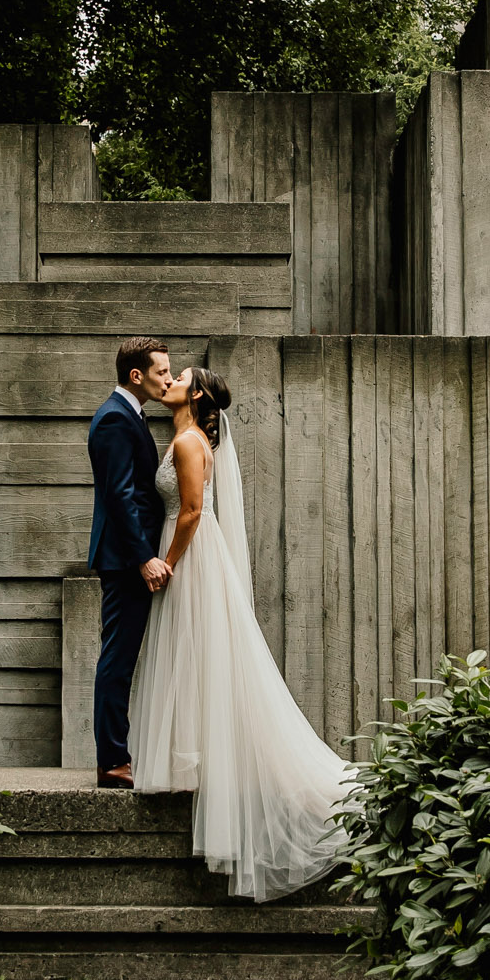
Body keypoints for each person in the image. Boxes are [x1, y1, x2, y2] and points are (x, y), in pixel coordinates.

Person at [129, 364, 357, 902]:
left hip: (189, 556)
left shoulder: (188, 442)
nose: (171, 380)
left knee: (198, 653)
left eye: (180, 376)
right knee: (198, 656)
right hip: (196, 557)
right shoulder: (185, 436)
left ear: (199, 393)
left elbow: (189, 512)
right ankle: (199, 756)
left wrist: (167, 564)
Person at [85, 335, 174, 790]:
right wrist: (144, 558)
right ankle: (113, 762)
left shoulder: (130, 415)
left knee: (121, 658)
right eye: (162, 371)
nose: (169, 379)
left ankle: (117, 756)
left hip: (129, 556)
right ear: (136, 375)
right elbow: (120, 496)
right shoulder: (114, 420)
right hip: (124, 560)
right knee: (116, 661)